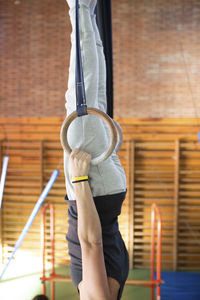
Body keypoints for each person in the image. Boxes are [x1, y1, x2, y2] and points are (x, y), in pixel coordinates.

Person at [63, 1, 129, 299]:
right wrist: (79, 181)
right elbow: (91, 243)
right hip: (91, 187)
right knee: (82, 88)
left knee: (95, 91)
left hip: (108, 194)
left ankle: (85, 8)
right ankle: (77, 4)